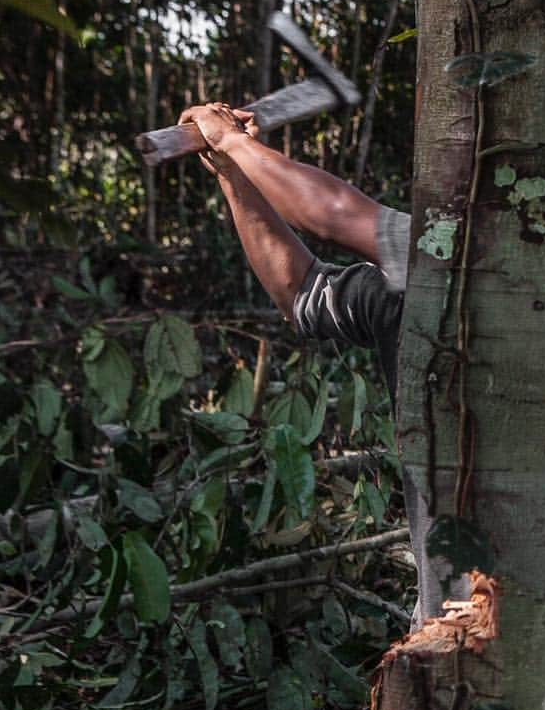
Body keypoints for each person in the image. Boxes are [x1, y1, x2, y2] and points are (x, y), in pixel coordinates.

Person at [178, 102, 441, 620]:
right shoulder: (415, 298)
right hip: (451, 617)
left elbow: (336, 215)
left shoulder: (475, 261)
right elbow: (302, 289)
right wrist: (233, 173)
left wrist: (234, 143)